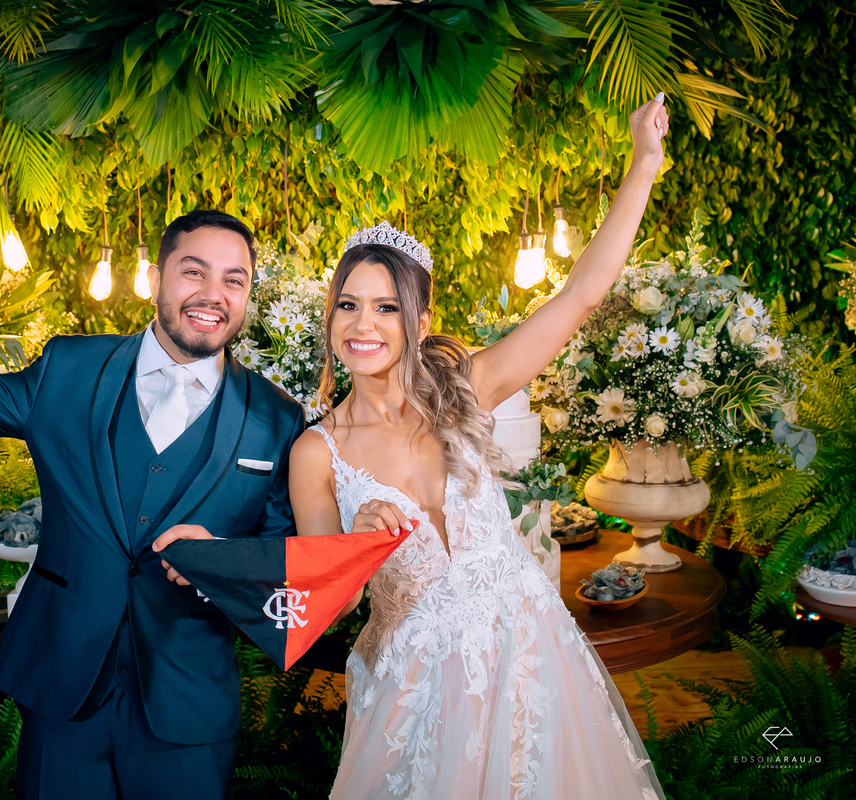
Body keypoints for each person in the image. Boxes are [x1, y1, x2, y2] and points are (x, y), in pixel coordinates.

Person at [287, 95, 672, 798]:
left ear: (420, 320)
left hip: (532, 665)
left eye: (386, 307)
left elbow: (580, 296)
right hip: (418, 696)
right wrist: (353, 545)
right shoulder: (318, 453)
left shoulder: (466, 387)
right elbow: (325, 611)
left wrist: (644, 162)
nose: (363, 325)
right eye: (348, 304)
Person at [0, 210, 305, 800]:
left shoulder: (276, 417)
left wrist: (223, 561)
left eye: (233, 280)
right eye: (194, 272)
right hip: (63, 689)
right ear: (157, 277)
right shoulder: (69, 369)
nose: (213, 295)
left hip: (187, 709)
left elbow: (286, 561)